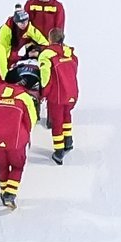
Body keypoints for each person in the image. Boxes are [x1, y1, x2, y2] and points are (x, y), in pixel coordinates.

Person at [0, 78, 39, 209]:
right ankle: (10, 193)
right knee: (17, 166)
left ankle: (3, 192)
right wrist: (25, 134)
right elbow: (31, 119)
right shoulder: (24, 97)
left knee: (2, 167)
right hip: (16, 141)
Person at [40, 29, 80, 163]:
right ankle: (68, 141)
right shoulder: (69, 52)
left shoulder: (46, 55)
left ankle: (58, 151)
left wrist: (43, 91)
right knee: (66, 115)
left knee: (57, 122)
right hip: (71, 92)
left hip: (57, 94)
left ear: (50, 38)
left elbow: (45, 76)